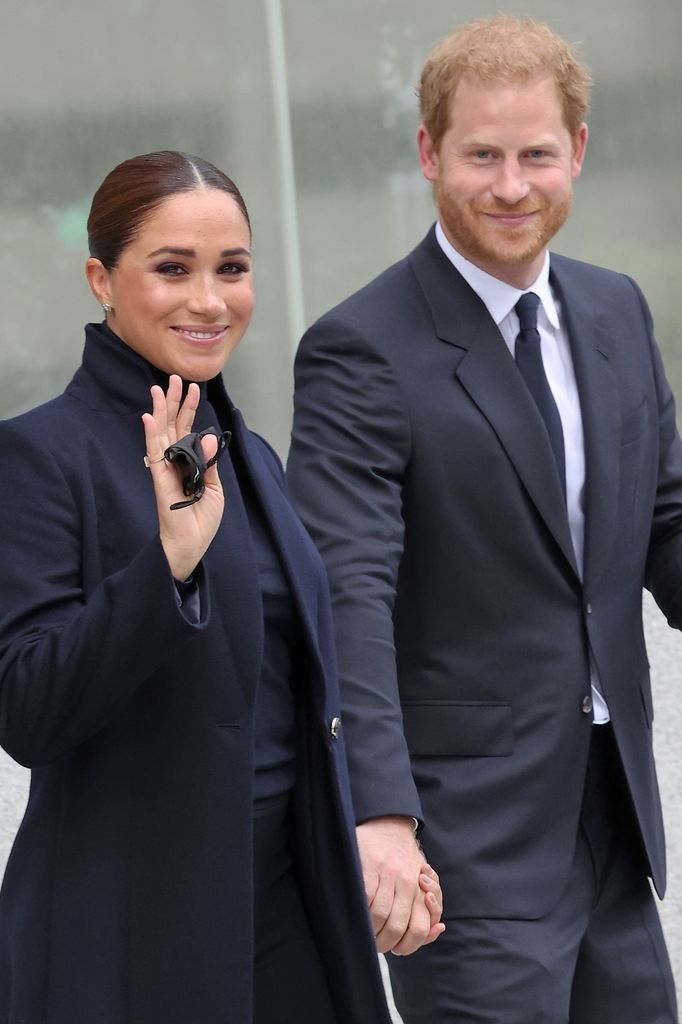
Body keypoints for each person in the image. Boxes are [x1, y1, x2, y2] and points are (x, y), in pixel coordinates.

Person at [287, 16, 680, 1024]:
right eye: (481, 155)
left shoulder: (616, 311)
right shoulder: (360, 349)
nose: (511, 186)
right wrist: (377, 814)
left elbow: (662, 524)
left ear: (577, 152)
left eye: (536, 154)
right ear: (428, 152)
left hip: (611, 824)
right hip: (463, 848)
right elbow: (349, 599)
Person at [0, 150, 442, 1024]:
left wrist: (380, 830)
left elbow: (296, 693)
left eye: (232, 269)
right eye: (172, 269)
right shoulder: (40, 456)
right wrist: (164, 565)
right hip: (129, 933)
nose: (209, 300)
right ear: (101, 277)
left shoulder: (251, 455)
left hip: (287, 912)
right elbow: (27, 711)